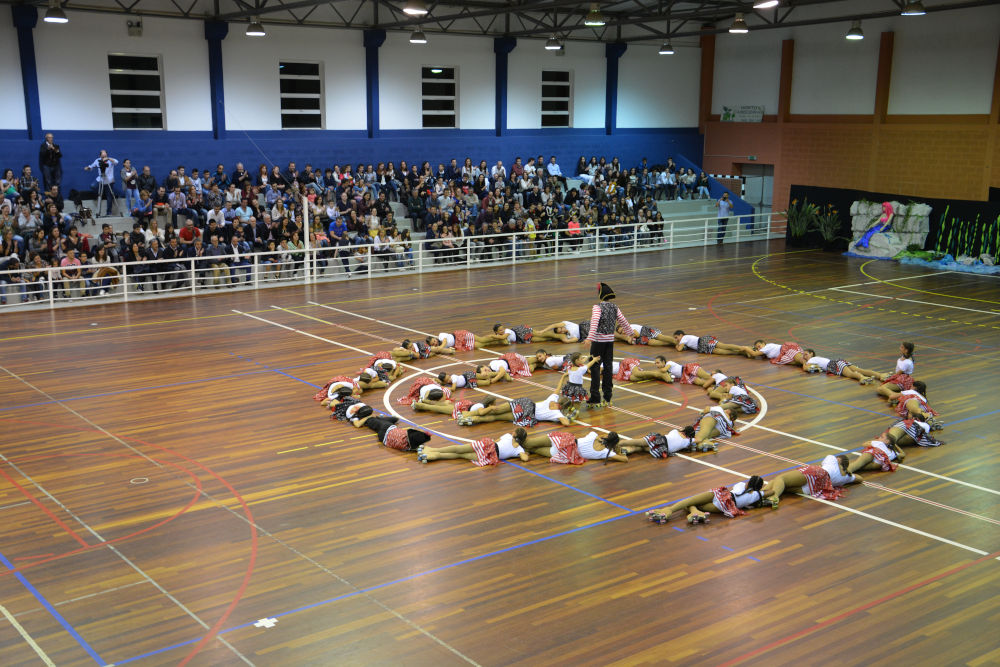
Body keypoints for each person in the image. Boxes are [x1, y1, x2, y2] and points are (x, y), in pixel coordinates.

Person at [646, 475, 773, 524]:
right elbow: (771, 491)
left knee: (691, 501)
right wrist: (762, 490)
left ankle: (670, 510)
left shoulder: (740, 485)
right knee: (696, 504)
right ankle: (695, 512)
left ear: (748, 482)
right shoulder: (756, 496)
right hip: (725, 506)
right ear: (759, 487)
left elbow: (744, 488)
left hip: (721, 494)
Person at [586, 282, 633, 409]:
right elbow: (623, 321)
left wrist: (589, 338)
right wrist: (630, 333)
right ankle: (607, 397)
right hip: (609, 342)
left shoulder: (597, 307)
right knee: (608, 367)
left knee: (595, 367)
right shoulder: (614, 307)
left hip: (598, 341)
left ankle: (595, 397)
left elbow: (594, 322)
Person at [765, 455, 861, 507]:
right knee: (782, 485)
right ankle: (761, 495)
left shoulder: (832, 459)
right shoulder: (845, 478)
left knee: (781, 478)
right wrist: (848, 472)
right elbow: (860, 478)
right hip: (815, 489)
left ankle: (773, 497)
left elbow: (821, 465)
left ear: (838, 459)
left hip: (816, 473)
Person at [457, 392, 572, 427]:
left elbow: (557, 390)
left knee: (496, 410)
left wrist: (563, 376)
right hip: (526, 413)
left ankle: (466, 414)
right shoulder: (556, 413)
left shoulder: (552, 399)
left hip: (525, 402)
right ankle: (469, 419)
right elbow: (566, 423)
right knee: (495, 417)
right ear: (562, 407)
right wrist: (568, 416)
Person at [514, 427, 627, 463]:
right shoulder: (605, 453)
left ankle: (513, 442)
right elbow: (625, 459)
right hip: (565, 453)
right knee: (534, 449)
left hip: (561, 441)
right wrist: (619, 450)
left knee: (529, 444)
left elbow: (599, 435)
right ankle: (517, 449)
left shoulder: (594, 436)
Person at [417, 431, 530, 466]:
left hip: (489, 449)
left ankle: (434, 453)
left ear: (516, 434)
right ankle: (433, 452)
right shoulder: (516, 446)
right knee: (459, 452)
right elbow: (524, 458)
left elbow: (497, 441)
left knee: (459, 452)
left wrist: (524, 453)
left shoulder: (517, 446)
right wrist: (525, 453)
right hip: (490, 449)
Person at [351, 406, 432, 453]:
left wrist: (367, 417)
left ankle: (376, 418)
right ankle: (378, 418)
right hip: (385, 433)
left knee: (387, 420)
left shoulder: (368, 419)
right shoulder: (407, 447)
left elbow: (357, 424)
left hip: (386, 429)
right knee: (392, 419)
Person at [801, 350, 883, 385]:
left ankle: (862, 378)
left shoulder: (810, 360)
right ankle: (880, 375)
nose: (804, 356)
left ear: (811, 353)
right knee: (859, 369)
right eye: (803, 355)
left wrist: (804, 362)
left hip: (832, 365)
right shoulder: (817, 358)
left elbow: (805, 368)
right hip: (838, 361)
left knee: (850, 374)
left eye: (806, 354)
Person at [615, 426, 698, 458]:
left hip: (659, 440)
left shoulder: (675, 431)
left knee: (638, 442)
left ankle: (619, 443)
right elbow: (699, 439)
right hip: (662, 450)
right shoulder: (687, 442)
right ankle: (627, 450)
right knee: (642, 449)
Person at [84, 150, 119, 216]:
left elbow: (117, 162)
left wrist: (108, 158)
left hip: (109, 180)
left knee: (109, 196)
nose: (104, 157)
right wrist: (87, 168)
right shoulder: (97, 160)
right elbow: (91, 166)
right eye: (103, 156)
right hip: (101, 179)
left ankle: (109, 212)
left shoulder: (110, 160)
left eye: (105, 156)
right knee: (93, 186)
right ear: (100, 156)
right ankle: (99, 194)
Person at [672, 330, 747, 356]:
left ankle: (741, 348)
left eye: (676, 337)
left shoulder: (683, 338)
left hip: (702, 342)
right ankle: (739, 351)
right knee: (720, 351)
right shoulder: (686, 338)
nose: (676, 339)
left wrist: (676, 345)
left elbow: (679, 349)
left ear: (681, 335)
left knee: (723, 346)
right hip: (702, 346)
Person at [391, 338, 455, 361]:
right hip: (422, 354)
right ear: (406, 347)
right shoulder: (405, 348)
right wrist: (405, 350)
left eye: (412, 345)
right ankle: (448, 348)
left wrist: (409, 350)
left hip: (421, 347)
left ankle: (450, 350)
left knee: (436, 349)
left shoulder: (415, 346)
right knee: (434, 353)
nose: (412, 347)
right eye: (410, 347)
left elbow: (418, 355)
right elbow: (394, 349)